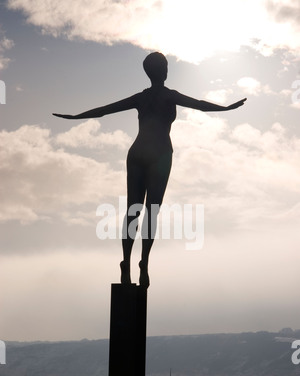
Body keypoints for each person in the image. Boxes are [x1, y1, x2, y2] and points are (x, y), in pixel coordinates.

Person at [53, 52, 246, 288]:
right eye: (165, 67)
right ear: (162, 71)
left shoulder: (141, 98)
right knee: (151, 211)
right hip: (160, 155)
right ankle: (143, 262)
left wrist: (76, 117)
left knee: (132, 210)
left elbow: (104, 109)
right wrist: (226, 108)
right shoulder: (169, 96)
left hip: (137, 153)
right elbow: (201, 106)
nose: (166, 71)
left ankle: (126, 262)